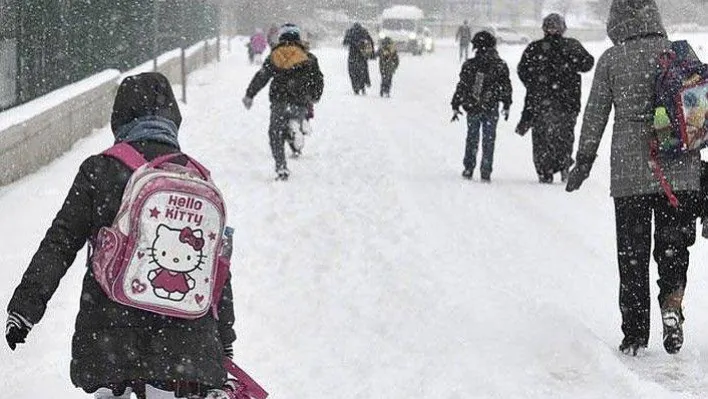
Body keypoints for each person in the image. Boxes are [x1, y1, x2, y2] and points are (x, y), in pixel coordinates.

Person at [4, 72, 237, 398]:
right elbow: (217, 270)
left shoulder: (100, 169)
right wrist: (223, 343)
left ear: (120, 117)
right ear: (173, 117)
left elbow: (60, 242)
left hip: (109, 341)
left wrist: (25, 309)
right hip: (186, 348)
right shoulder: (198, 179)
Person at [565, 0, 701, 356]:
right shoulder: (677, 54)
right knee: (673, 248)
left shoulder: (613, 59)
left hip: (631, 174)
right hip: (680, 171)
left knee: (633, 255)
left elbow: (595, 115)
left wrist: (583, 161)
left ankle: (635, 334)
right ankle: (672, 304)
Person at [517, 13, 594, 184]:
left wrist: (534, 84)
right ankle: (563, 163)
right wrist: (571, 66)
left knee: (542, 138)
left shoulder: (535, 48)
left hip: (541, 102)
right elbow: (588, 63)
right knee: (564, 136)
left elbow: (522, 70)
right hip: (567, 101)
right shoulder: (571, 46)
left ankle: (545, 170)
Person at [242, 23, 324, 181]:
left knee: (275, 133)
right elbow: (318, 80)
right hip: (300, 102)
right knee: (293, 121)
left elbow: (262, 77)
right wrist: (315, 96)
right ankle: (296, 128)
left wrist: (249, 95)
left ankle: (281, 167)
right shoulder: (309, 58)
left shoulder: (275, 56)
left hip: (279, 101)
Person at [451, 31, 512, 182]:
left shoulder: (471, 65)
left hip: (473, 106)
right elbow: (506, 86)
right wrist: (506, 103)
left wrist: (456, 103)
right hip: (491, 107)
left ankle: (469, 167)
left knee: (472, 137)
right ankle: (486, 169)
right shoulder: (500, 65)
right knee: (489, 139)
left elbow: (462, 86)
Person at [343, 22, 375, 95]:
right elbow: (371, 42)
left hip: (352, 55)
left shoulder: (350, 32)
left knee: (353, 72)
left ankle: (356, 88)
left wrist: (352, 42)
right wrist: (372, 54)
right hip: (362, 55)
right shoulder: (364, 32)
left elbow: (345, 42)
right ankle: (363, 85)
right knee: (362, 71)